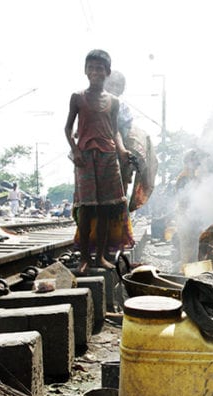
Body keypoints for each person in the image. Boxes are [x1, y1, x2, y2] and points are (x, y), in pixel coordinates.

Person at [64, 49, 135, 272]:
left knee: (105, 209)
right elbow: (68, 128)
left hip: (108, 157)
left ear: (107, 72)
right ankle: (85, 258)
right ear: (86, 71)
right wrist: (75, 151)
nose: (96, 72)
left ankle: (101, 257)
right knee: (86, 209)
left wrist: (122, 152)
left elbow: (115, 132)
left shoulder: (113, 102)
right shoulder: (77, 97)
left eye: (100, 68)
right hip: (85, 158)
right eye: (92, 67)